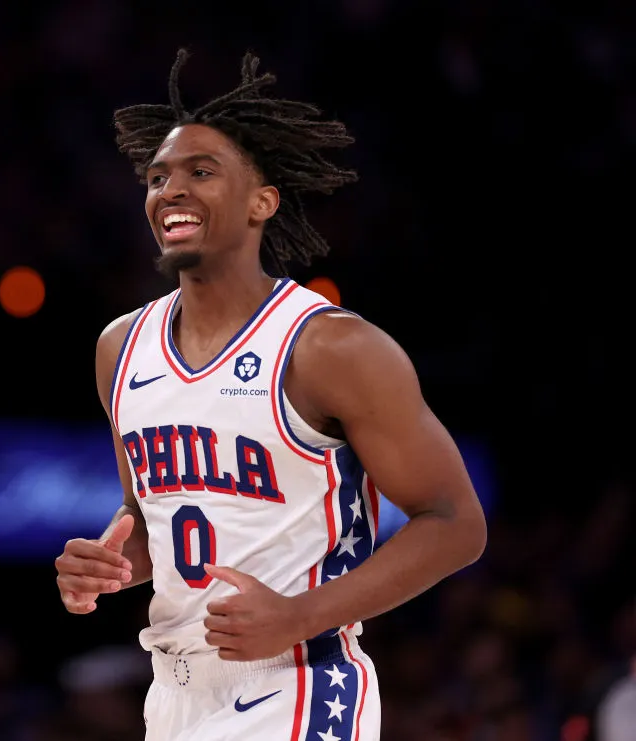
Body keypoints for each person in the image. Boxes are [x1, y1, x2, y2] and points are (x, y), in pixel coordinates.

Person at [54, 49, 488, 741]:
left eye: (201, 172)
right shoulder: (120, 346)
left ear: (262, 201)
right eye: (158, 176)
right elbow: (153, 514)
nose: (171, 189)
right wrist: (108, 565)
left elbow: (456, 522)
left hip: (297, 681)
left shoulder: (331, 347)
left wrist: (300, 614)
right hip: (172, 694)